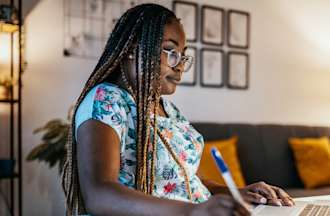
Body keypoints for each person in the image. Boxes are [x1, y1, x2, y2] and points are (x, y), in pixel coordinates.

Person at [62, 4, 294, 216]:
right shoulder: (106, 100)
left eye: (183, 55)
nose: (181, 65)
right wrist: (191, 212)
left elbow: (185, 178)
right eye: (170, 51)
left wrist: (235, 193)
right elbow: (100, 194)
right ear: (133, 49)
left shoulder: (169, 110)